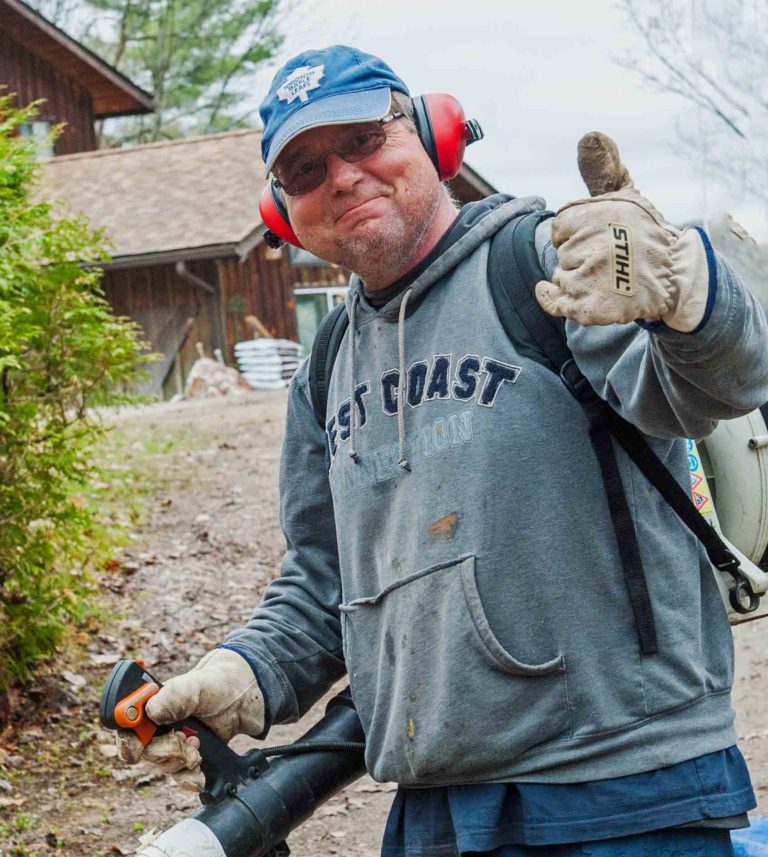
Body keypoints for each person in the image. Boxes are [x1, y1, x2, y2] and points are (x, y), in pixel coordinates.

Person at [117, 45, 768, 856]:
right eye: (308, 168)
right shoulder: (325, 371)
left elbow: (717, 387)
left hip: (624, 791)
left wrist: (687, 293)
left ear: (431, 134)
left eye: (363, 140)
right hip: (435, 811)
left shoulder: (548, 266)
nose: (344, 175)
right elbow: (325, 579)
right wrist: (244, 671)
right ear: (284, 211)